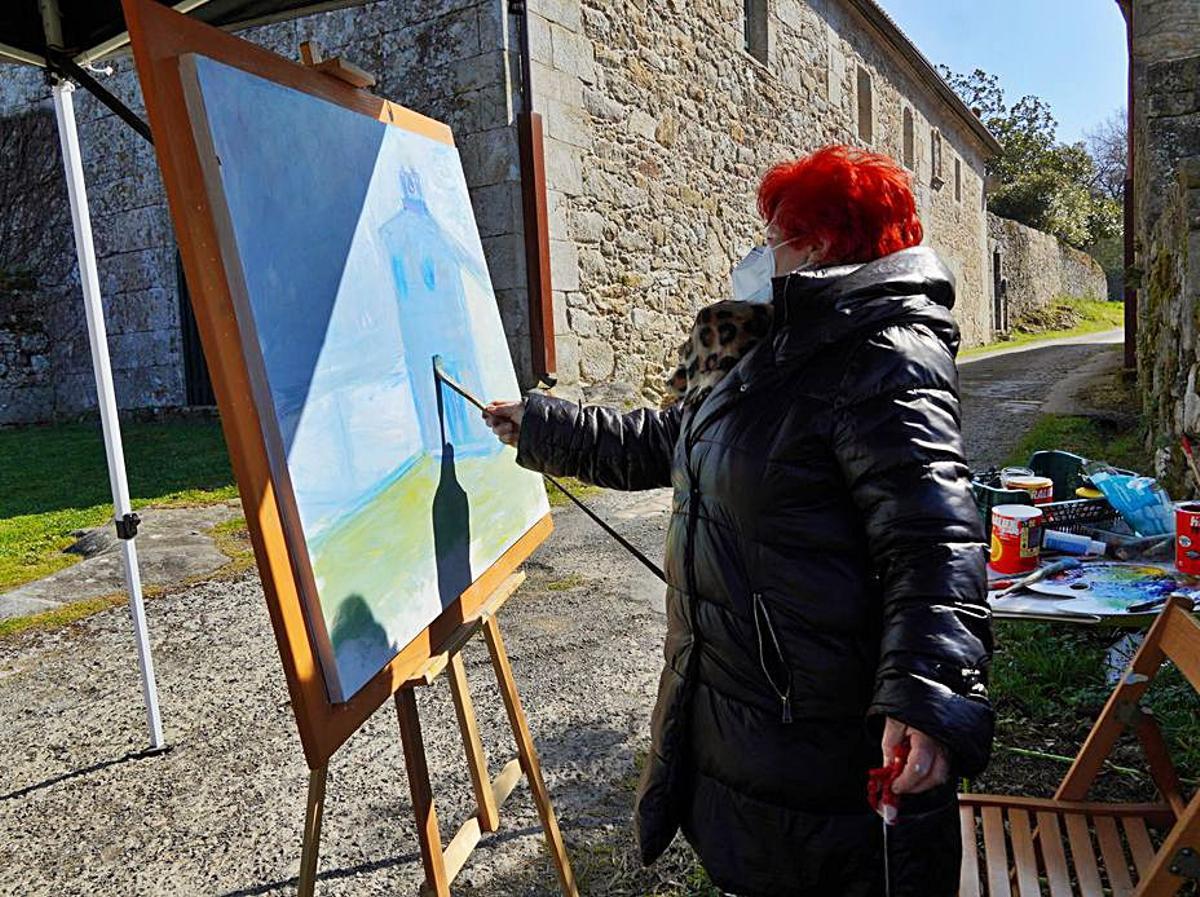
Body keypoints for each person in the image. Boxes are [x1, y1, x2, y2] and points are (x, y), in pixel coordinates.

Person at [483, 144, 993, 897]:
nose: (759, 254)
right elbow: (674, 440)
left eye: (774, 237)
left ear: (820, 245)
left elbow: (931, 541)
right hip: (748, 708)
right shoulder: (773, 341)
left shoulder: (884, 354)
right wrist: (542, 426)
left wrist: (928, 692)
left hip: (819, 726)